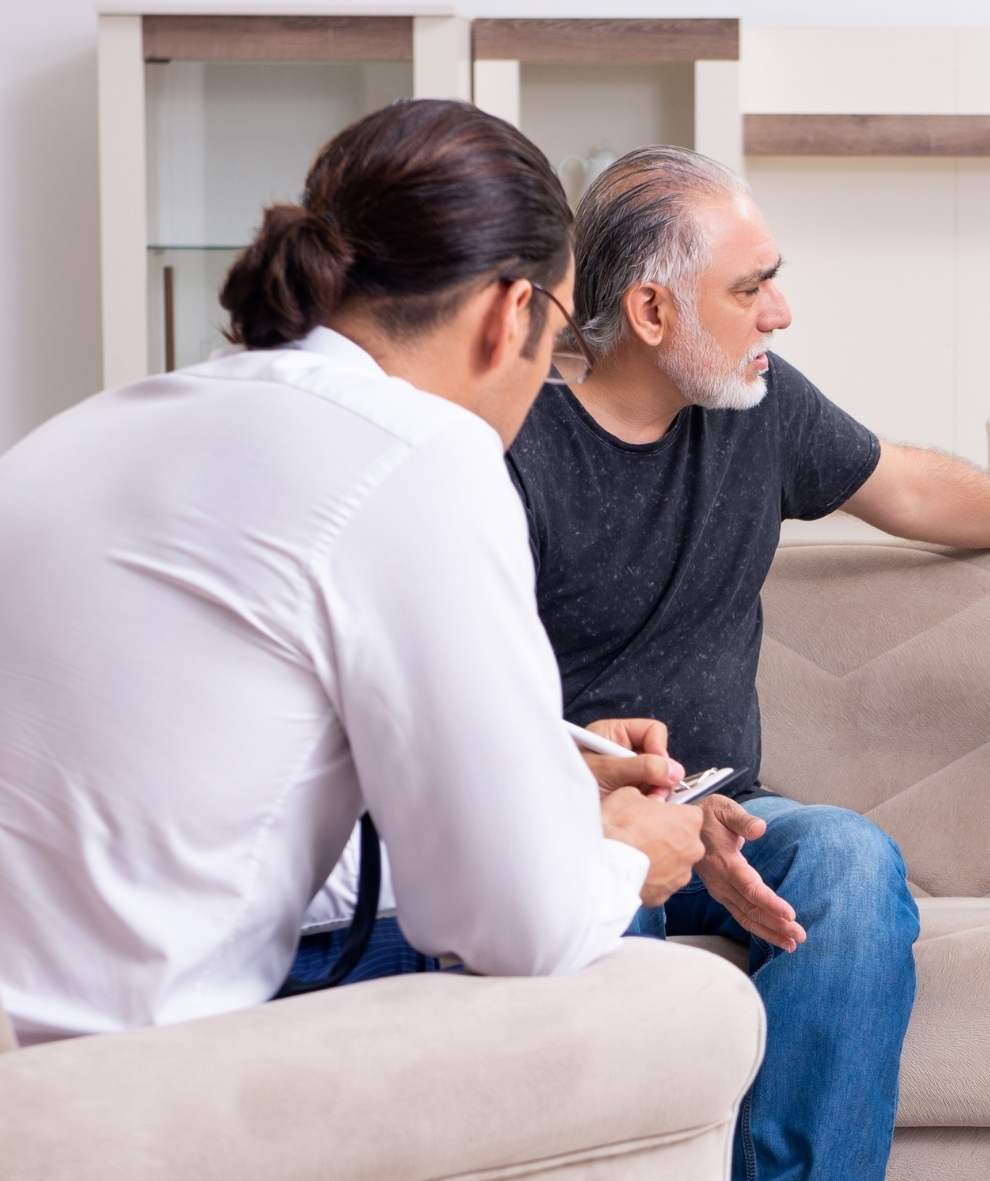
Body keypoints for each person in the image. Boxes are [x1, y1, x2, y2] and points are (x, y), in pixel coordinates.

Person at [0, 100, 704, 1045]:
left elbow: (206, 816)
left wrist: (531, 768)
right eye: (561, 344)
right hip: (134, 1075)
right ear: (511, 313)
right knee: (650, 963)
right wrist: (621, 852)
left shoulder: (98, 424)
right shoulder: (423, 452)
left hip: (27, 1048)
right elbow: (520, 926)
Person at [505, 145, 990, 1181]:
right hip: (578, 822)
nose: (780, 313)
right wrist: (603, 808)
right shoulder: (514, 448)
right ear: (651, 311)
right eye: (749, 288)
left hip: (733, 810)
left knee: (850, 859)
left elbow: (911, 487)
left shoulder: (756, 406)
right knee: (608, 905)